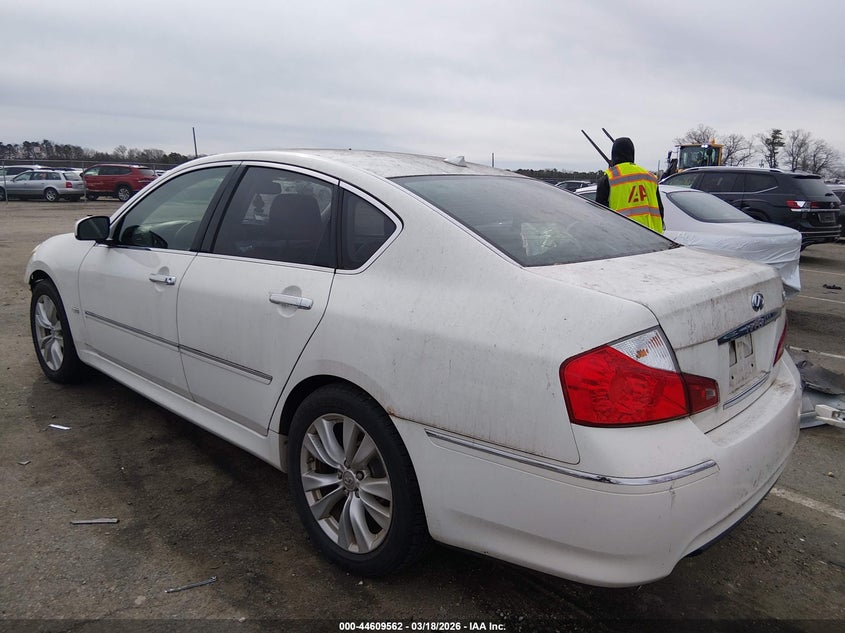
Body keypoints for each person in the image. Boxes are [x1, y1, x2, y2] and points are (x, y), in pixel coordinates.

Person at [595, 137, 664, 233]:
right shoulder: (650, 177)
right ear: (632, 153)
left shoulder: (608, 179)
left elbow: (601, 216)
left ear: (613, 154)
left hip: (622, 239)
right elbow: (660, 209)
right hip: (653, 237)